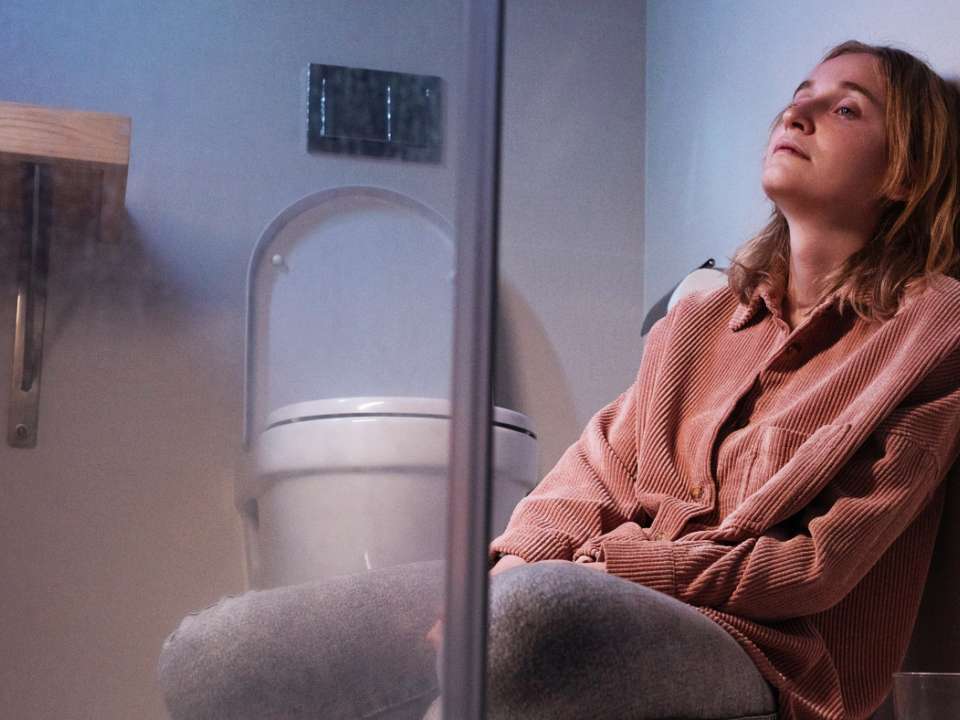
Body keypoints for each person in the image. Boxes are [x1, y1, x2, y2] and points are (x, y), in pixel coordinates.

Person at [158, 40, 960, 720]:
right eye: (799, 97)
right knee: (213, 653)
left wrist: (596, 571)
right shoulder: (703, 320)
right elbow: (591, 474)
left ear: (904, 173)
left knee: (523, 624)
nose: (797, 114)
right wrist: (499, 576)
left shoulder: (929, 330)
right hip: (591, 584)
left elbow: (814, 567)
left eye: (847, 108)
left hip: (768, 647)